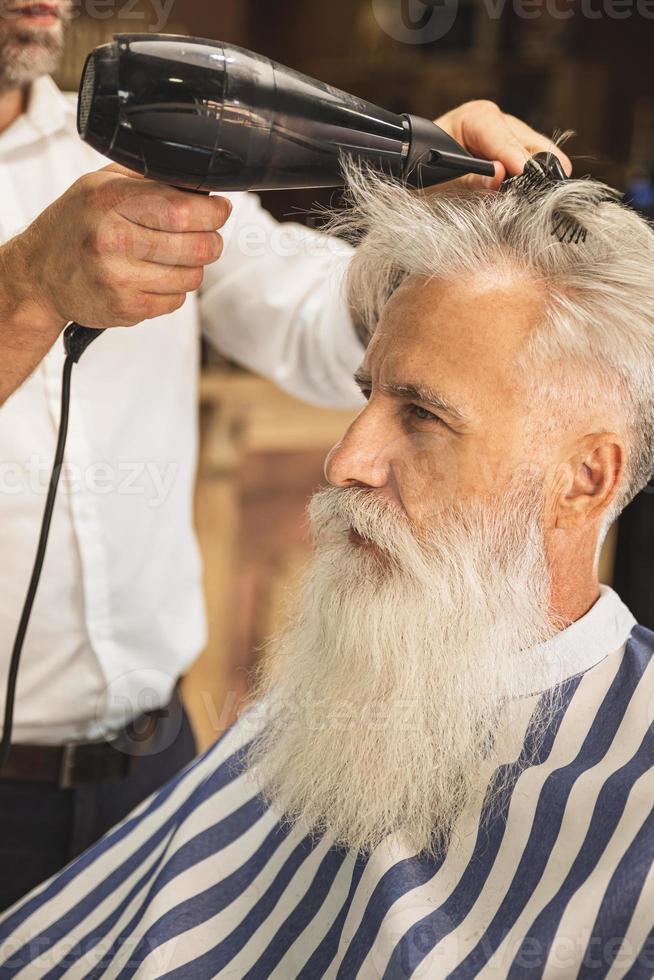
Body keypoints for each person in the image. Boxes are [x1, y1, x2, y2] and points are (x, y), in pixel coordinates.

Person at [1, 160, 652, 978]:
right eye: (366, 396)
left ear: (583, 479)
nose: (346, 459)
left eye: (421, 415)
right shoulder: (341, 698)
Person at [0, 0, 574, 912]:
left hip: (156, 764)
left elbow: (309, 321)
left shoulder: (114, 149)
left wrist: (417, 223)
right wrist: (25, 288)